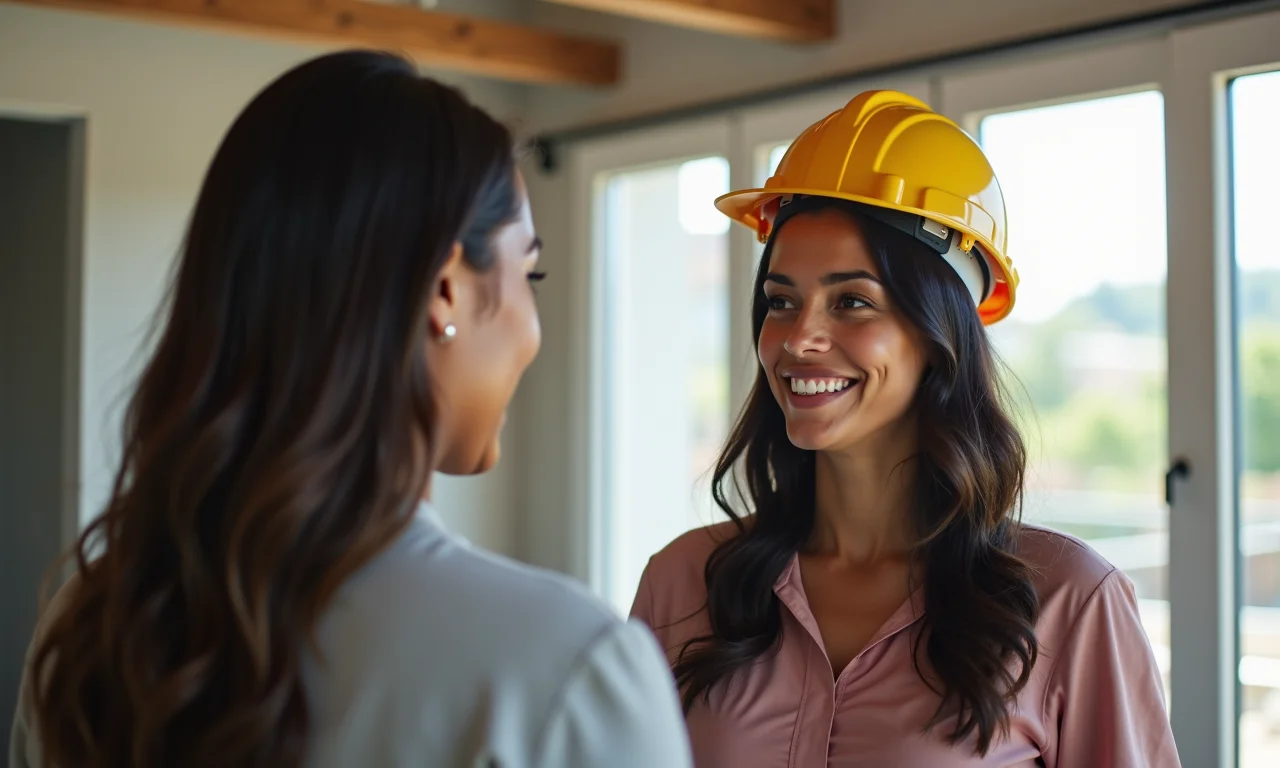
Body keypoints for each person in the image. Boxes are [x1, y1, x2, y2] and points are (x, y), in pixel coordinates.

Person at [9, 50, 691, 768]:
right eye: (530, 272)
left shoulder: (92, 622)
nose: (534, 325)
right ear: (446, 290)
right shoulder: (567, 671)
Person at [630, 90, 1181, 767]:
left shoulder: (1070, 602)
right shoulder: (682, 583)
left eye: (852, 301)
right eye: (781, 301)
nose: (800, 337)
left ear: (937, 334)